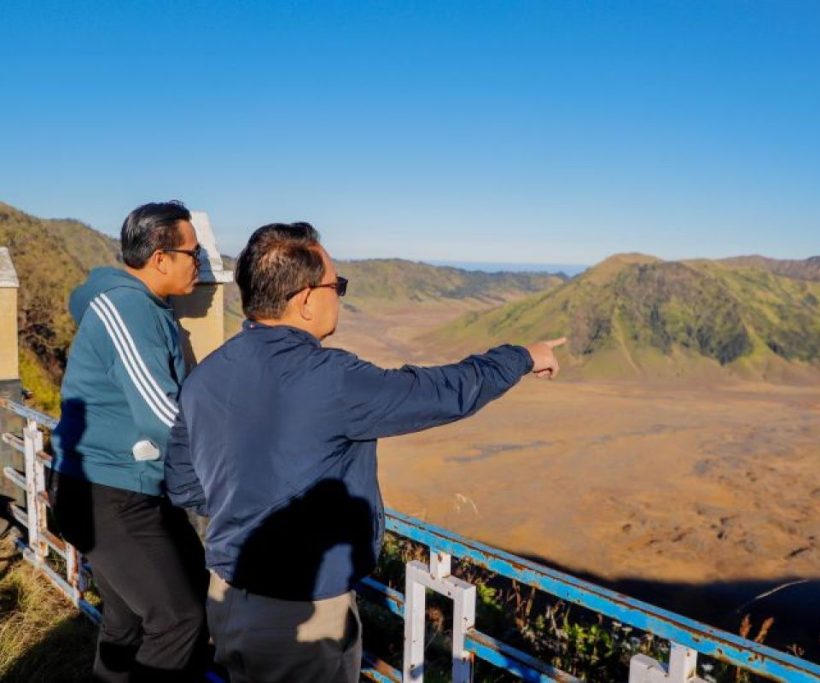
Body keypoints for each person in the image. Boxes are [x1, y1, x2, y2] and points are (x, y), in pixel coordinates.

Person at [165, 222, 564, 683]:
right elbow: (441, 393)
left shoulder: (205, 377)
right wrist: (522, 356)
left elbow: (184, 483)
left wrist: (246, 507)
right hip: (302, 614)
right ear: (307, 298)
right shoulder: (330, 379)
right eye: (338, 286)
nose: (340, 297)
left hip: (226, 597)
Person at [49, 201, 209, 682]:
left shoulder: (149, 306)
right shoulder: (129, 306)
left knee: (127, 622)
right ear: (161, 257)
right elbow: (159, 410)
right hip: (108, 491)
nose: (198, 263)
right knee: (178, 619)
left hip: (122, 486)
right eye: (192, 253)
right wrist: (226, 459)